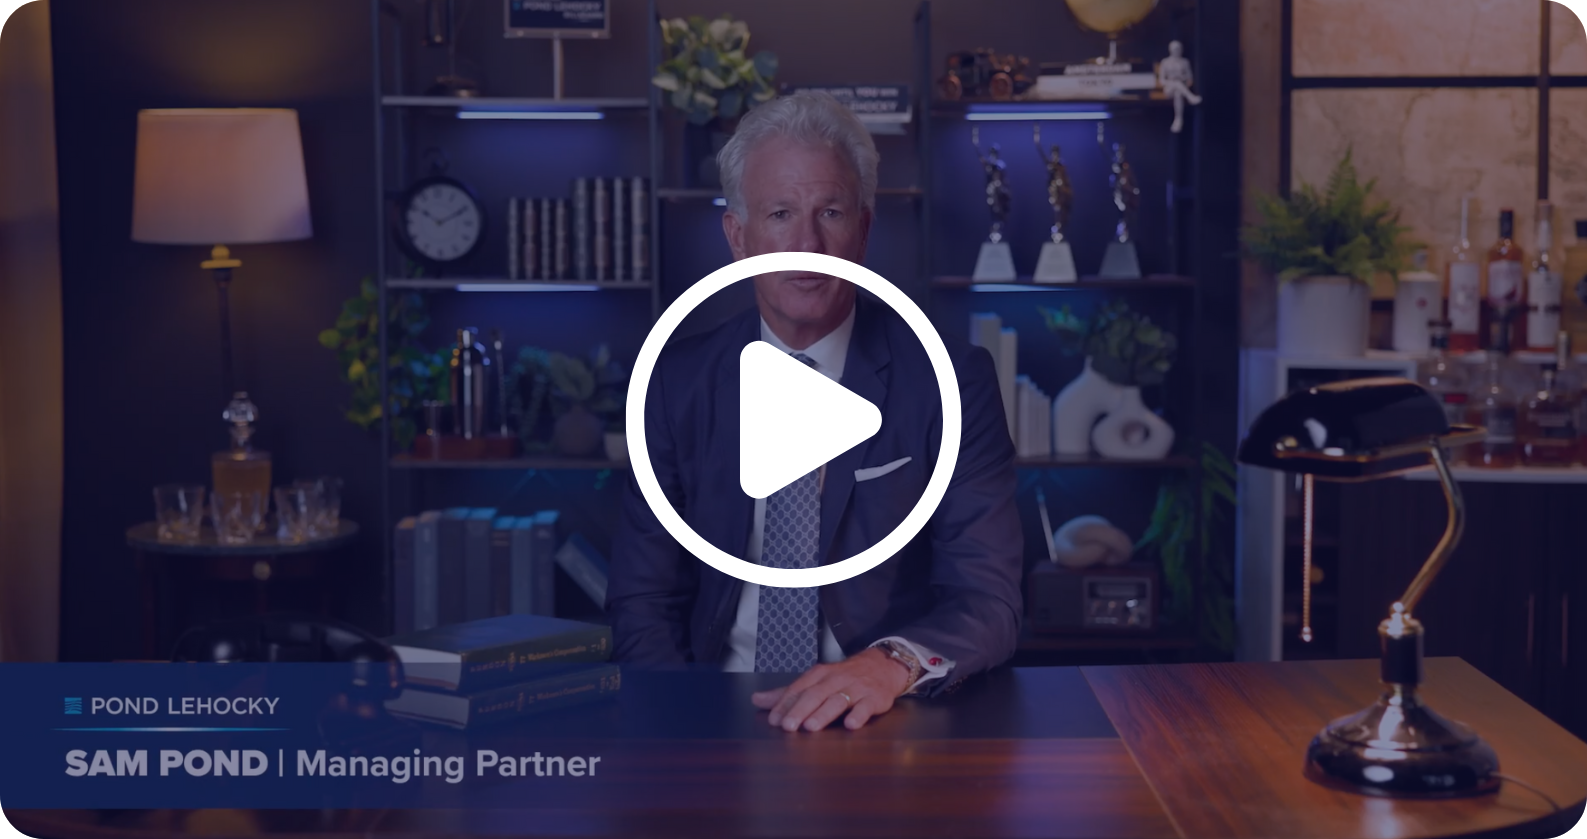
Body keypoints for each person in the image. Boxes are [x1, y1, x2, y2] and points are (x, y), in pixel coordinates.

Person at [607, 90, 1022, 732]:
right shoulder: (672, 381)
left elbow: (988, 599)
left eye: (829, 212)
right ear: (738, 236)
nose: (806, 243)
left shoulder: (950, 379)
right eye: (779, 213)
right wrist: (680, 725)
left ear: (863, 227)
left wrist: (891, 663)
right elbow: (643, 600)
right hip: (712, 712)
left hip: (882, 719)